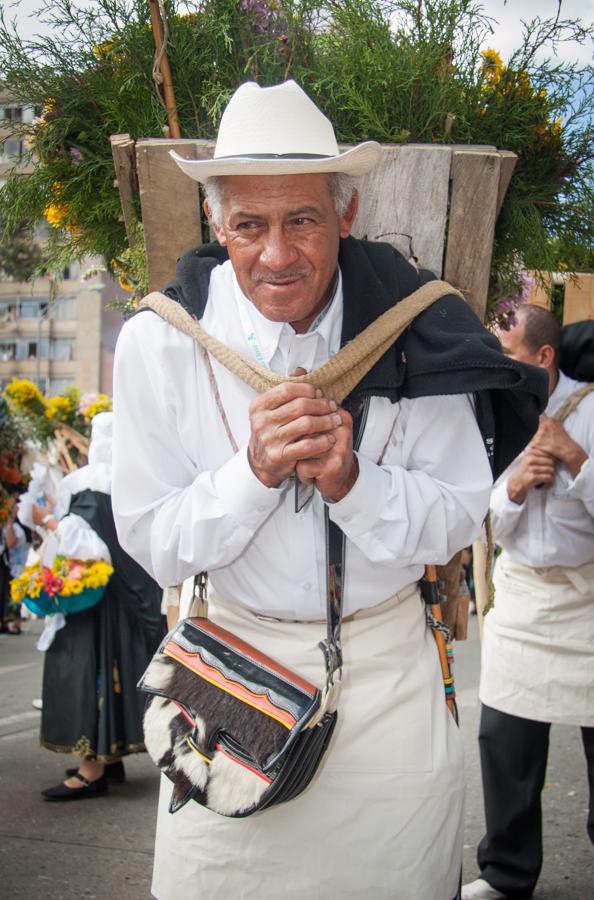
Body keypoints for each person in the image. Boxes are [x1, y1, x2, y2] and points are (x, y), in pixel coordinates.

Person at [111, 81, 546, 899]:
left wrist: (354, 480)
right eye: (250, 225)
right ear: (217, 222)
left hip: (386, 695)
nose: (277, 254)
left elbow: (456, 514)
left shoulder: (421, 330)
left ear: (345, 215)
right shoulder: (158, 344)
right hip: (225, 687)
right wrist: (253, 473)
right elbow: (153, 539)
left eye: (302, 220)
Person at [462, 304, 594, 900]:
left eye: (507, 351)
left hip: (589, 600)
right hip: (522, 596)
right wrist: (512, 488)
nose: (496, 363)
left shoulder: (592, 406)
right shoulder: (493, 405)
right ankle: (507, 871)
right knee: (504, 737)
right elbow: (472, 503)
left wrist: (576, 459)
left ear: (543, 358)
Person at [31, 412, 164, 800]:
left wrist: (49, 520)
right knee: (117, 676)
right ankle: (110, 757)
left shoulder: (94, 485)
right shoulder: (135, 483)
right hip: (128, 604)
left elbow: (87, 545)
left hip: (97, 610)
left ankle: (92, 768)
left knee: (92, 679)